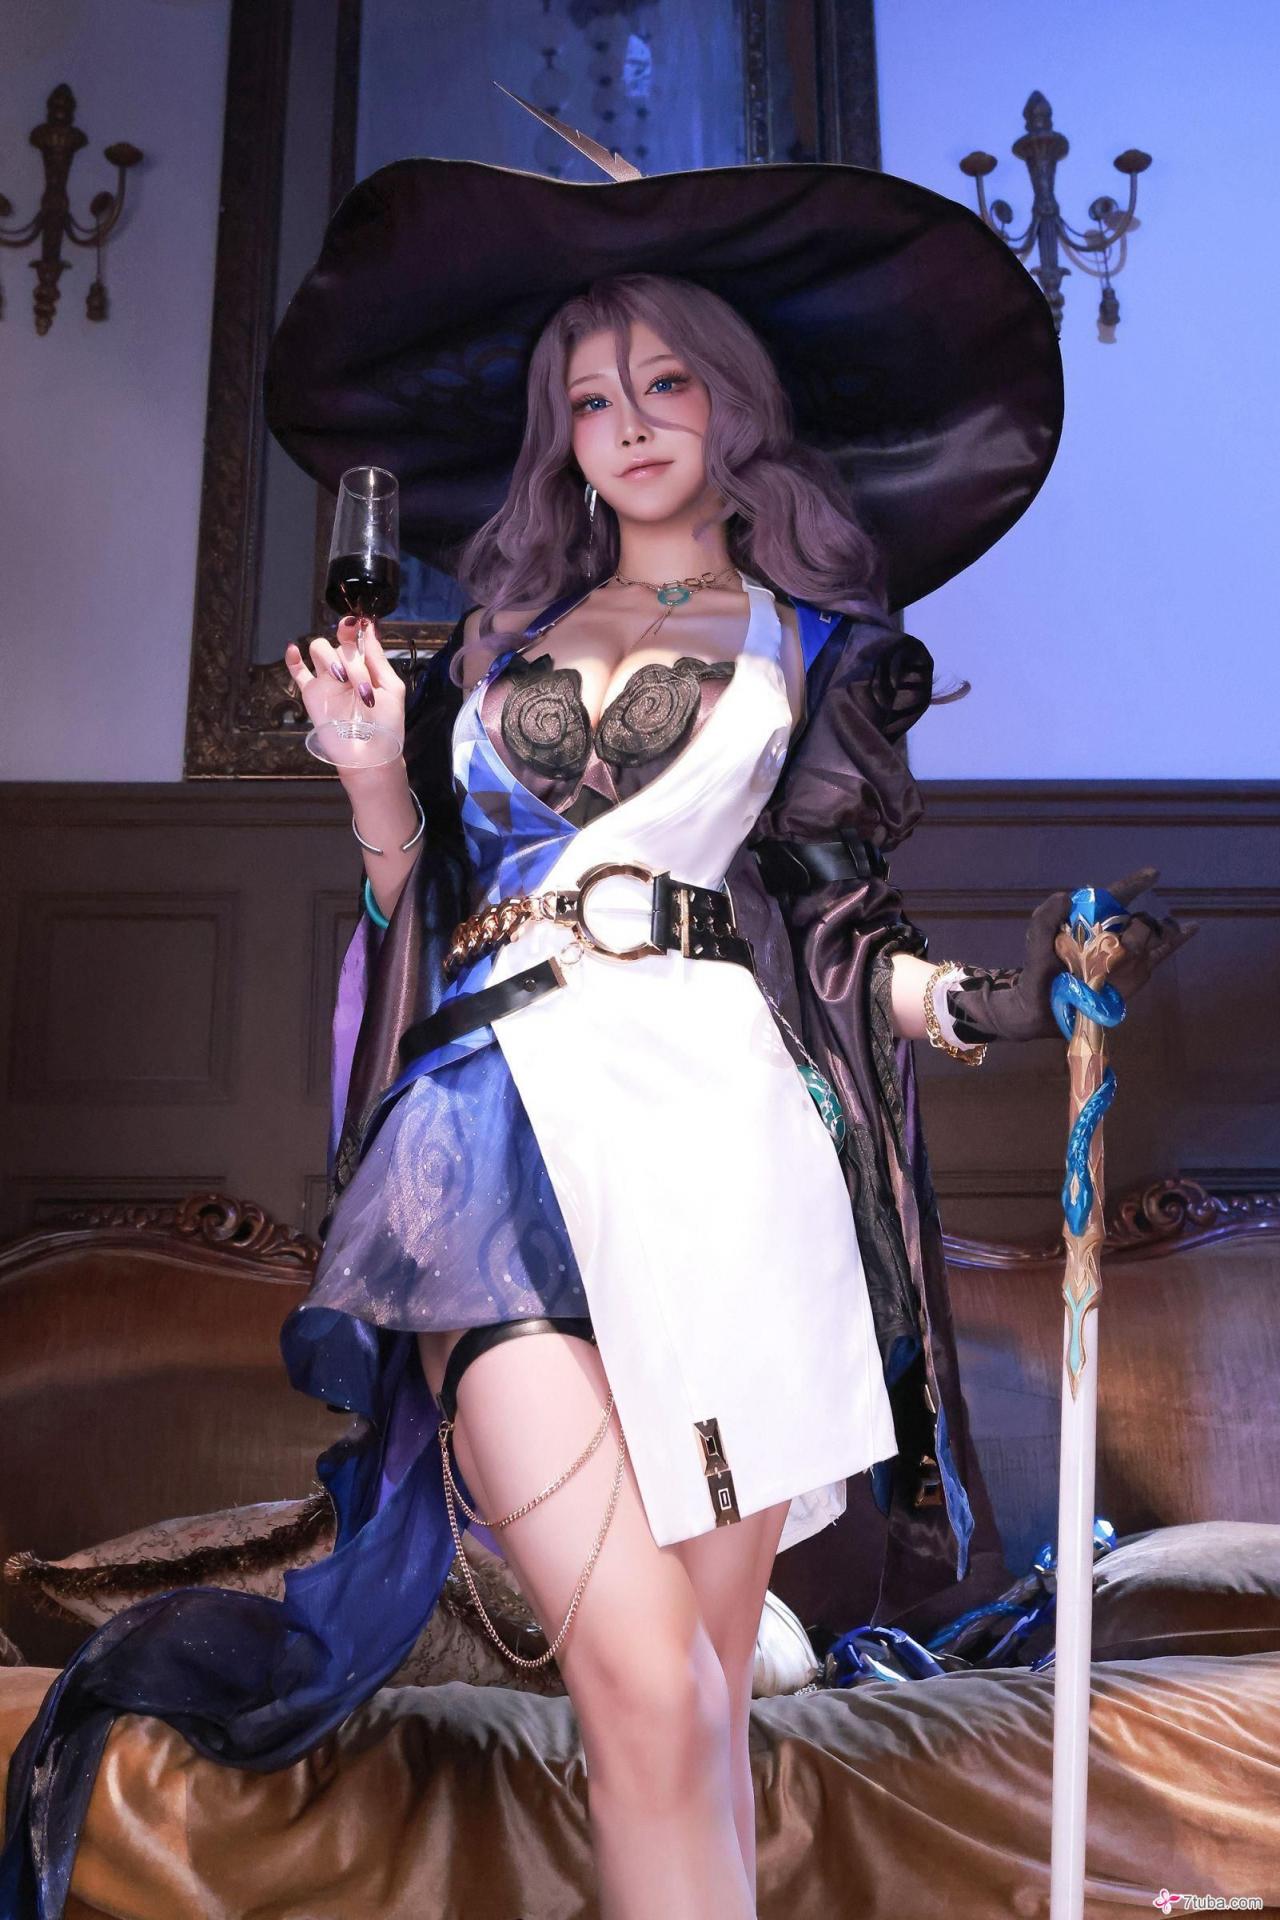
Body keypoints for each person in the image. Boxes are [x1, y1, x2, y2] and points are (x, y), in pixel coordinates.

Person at [1, 107, 1196, 1920]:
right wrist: (370, 777)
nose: (626, 421)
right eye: (587, 398)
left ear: (731, 405)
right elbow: (423, 902)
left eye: (663, 383)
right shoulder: (495, 638)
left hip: (729, 1152)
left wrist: (1012, 998)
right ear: (556, 434)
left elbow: (835, 935)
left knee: (695, 1711)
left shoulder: (808, 644)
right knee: (637, 1683)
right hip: (493, 1131)